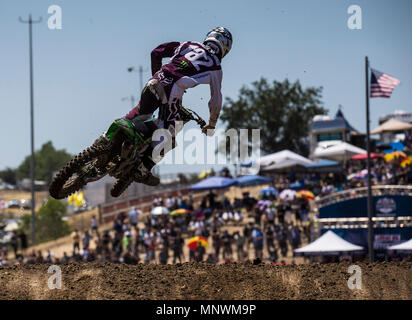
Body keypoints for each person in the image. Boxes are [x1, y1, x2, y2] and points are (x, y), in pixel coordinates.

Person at [124, 27, 233, 185]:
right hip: (173, 91)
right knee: (170, 137)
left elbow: (156, 52)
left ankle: (110, 137)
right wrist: (211, 124)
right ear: (225, 47)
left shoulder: (189, 44)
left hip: (156, 79)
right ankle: (141, 169)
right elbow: (216, 100)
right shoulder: (216, 67)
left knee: (141, 112)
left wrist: (156, 75)